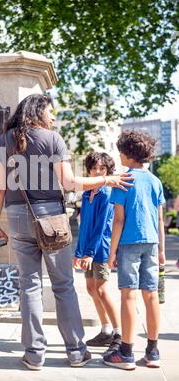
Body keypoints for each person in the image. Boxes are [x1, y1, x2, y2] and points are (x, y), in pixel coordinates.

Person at [0, 94, 133, 370]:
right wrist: (107, 179)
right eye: (51, 112)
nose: (54, 117)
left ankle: (34, 354)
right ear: (39, 112)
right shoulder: (52, 139)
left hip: (17, 217)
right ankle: (77, 352)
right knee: (64, 286)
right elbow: (68, 183)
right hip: (51, 219)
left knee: (29, 286)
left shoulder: (2, 140)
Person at [103, 130, 165, 370]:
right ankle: (152, 351)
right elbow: (159, 219)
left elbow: (118, 220)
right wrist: (162, 250)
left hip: (129, 242)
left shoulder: (123, 180)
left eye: (121, 151)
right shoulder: (155, 181)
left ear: (128, 155)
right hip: (151, 243)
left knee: (128, 294)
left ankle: (126, 352)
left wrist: (111, 253)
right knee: (151, 296)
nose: (118, 155)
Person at [73, 152, 121, 354]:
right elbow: (84, 226)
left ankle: (119, 333)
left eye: (102, 169)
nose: (98, 172)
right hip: (87, 250)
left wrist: (90, 252)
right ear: (89, 171)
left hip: (101, 248)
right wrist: (79, 252)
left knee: (101, 289)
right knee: (91, 288)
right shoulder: (86, 194)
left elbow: (101, 226)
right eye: (94, 169)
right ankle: (105, 330)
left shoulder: (107, 194)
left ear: (108, 171)